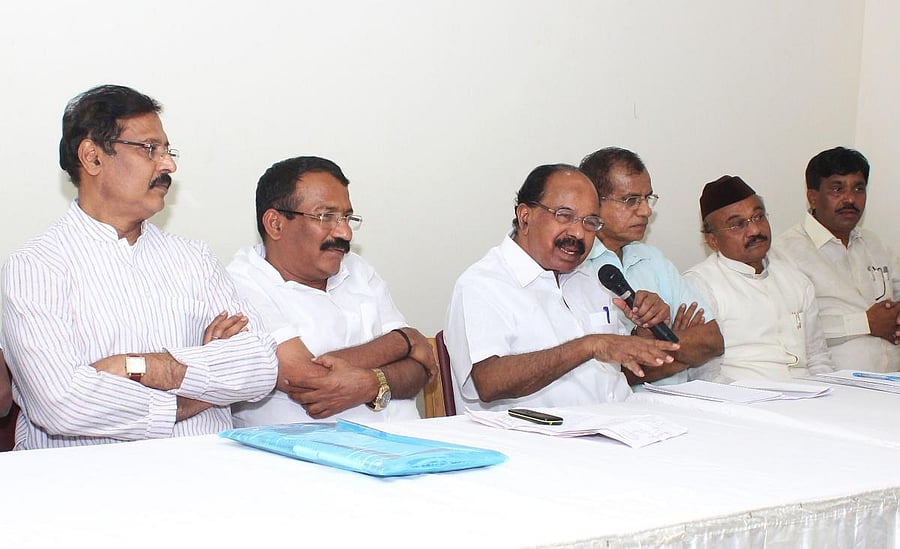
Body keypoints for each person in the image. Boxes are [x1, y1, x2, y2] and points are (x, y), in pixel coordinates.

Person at [0, 85, 278, 450]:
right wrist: (203, 388)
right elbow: (62, 404)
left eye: (167, 150)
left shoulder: (194, 258)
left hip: (206, 476)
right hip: (86, 487)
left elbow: (260, 364)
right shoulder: (35, 267)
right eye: (150, 149)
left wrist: (146, 367)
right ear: (93, 158)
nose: (168, 165)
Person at [444, 163, 680, 413]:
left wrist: (645, 331)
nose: (578, 232)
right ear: (525, 217)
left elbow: (617, 364)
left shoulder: (588, 278)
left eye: (590, 222)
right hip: (534, 441)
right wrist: (588, 346)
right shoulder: (482, 285)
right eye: (564, 216)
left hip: (618, 423)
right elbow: (488, 382)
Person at [227, 156, 435, 425]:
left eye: (347, 217)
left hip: (409, 444)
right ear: (275, 224)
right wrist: (403, 340)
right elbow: (306, 379)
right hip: (307, 458)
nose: (346, 233)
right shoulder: (240, 283)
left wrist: (372, 382)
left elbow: (421, 368)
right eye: (326, 216)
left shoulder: (359, 270)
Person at [580, 147, 724, 385]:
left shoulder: (652, 259)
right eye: (631, 200)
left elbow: (711, 342)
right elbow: (606, 375)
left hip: (684, 404)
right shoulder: (576, 265)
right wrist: (681, 350)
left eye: (648, 198)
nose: (646, 211)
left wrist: (650, 348)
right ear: (593, 203)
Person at [683, 176, 834, 381]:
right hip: (743, 403)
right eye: (737, 225)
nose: (755, 230)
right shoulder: (699, 285)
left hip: (808, 397)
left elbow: (819, 358)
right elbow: (704, 375)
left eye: (758, 217)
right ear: (712, 240)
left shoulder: (796, 280)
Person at [773, 147, 899, 372]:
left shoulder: (874, 243)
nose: (850, 198)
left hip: (891, 386)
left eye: (859, 188)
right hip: (834, 389)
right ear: (812, 197)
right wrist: (865, 323)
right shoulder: (786, 252)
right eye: (837, 189)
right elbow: (789, 328)